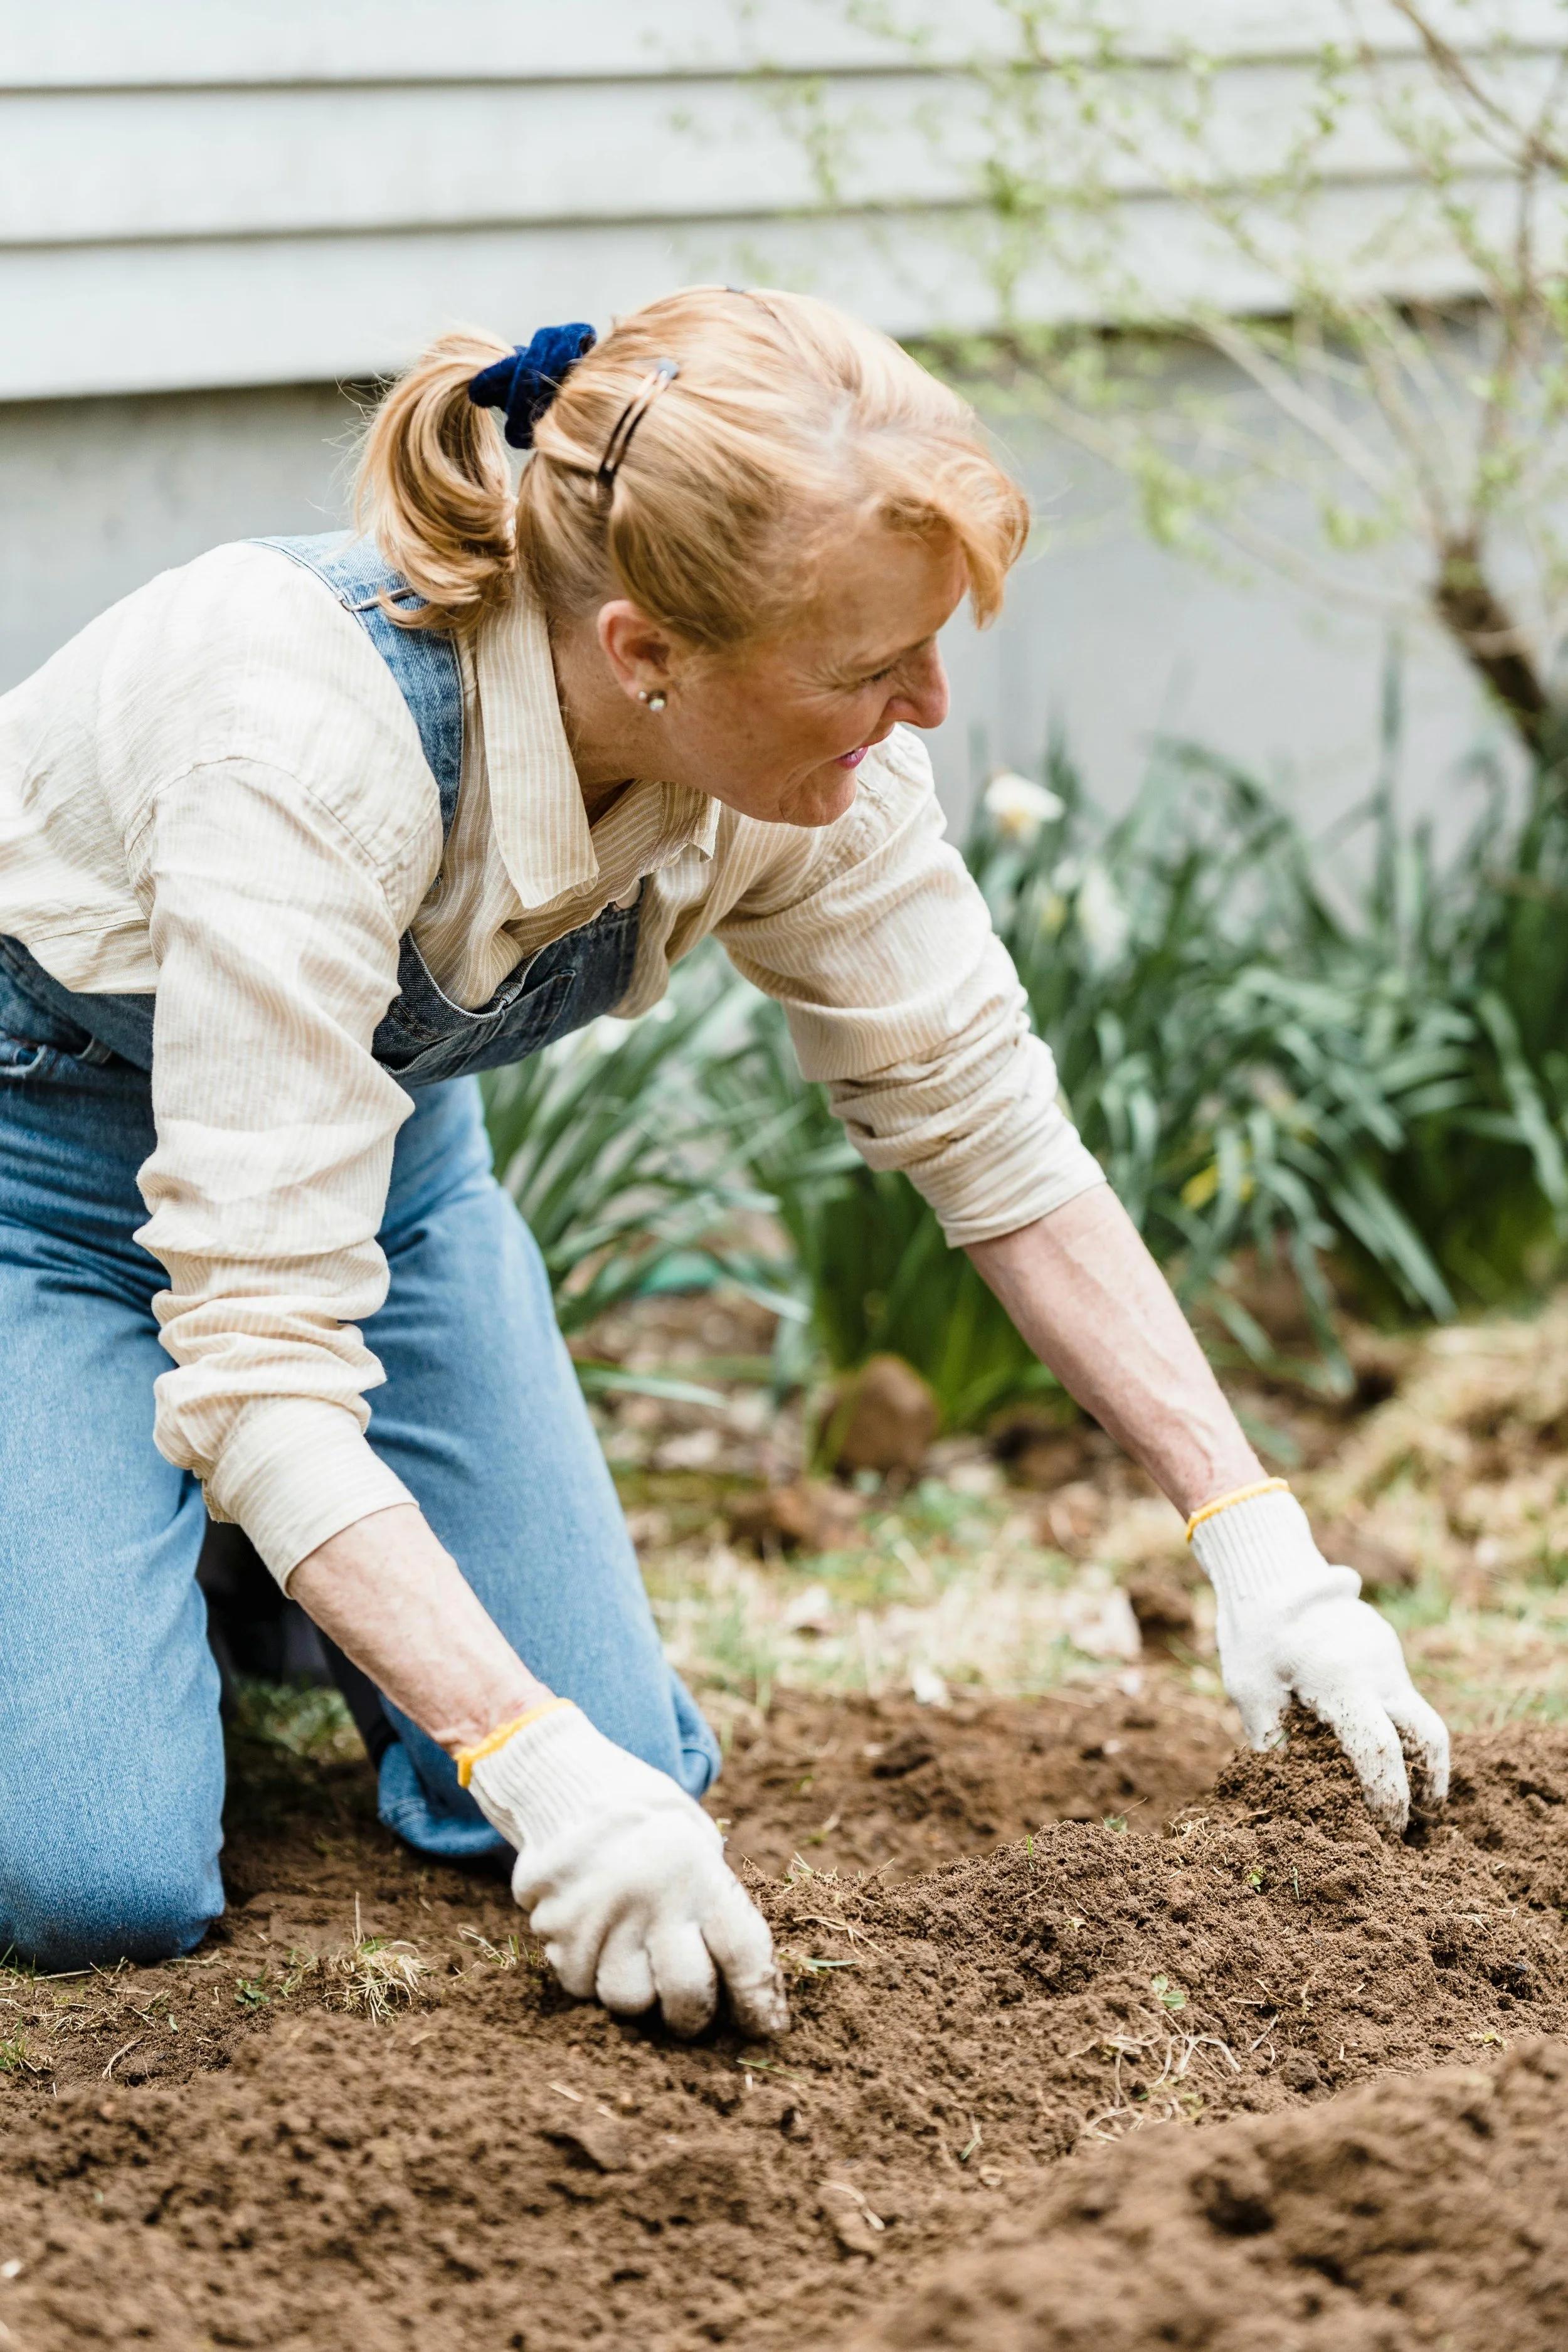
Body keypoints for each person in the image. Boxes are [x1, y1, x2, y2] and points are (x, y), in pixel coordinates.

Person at [0, 287, 1448, 2037]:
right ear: (645, 653)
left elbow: (992, 1134)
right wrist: (529, 1752)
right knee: (92, 1876)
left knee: (631, 1761)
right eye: (866, 668)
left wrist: (1259, 1540)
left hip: (366, 1176)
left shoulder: (803, 767)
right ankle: (117, 1508)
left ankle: (226, 1568)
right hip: (34, 1180)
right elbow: (263, 1365)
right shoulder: (301, 747)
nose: (923, 706)